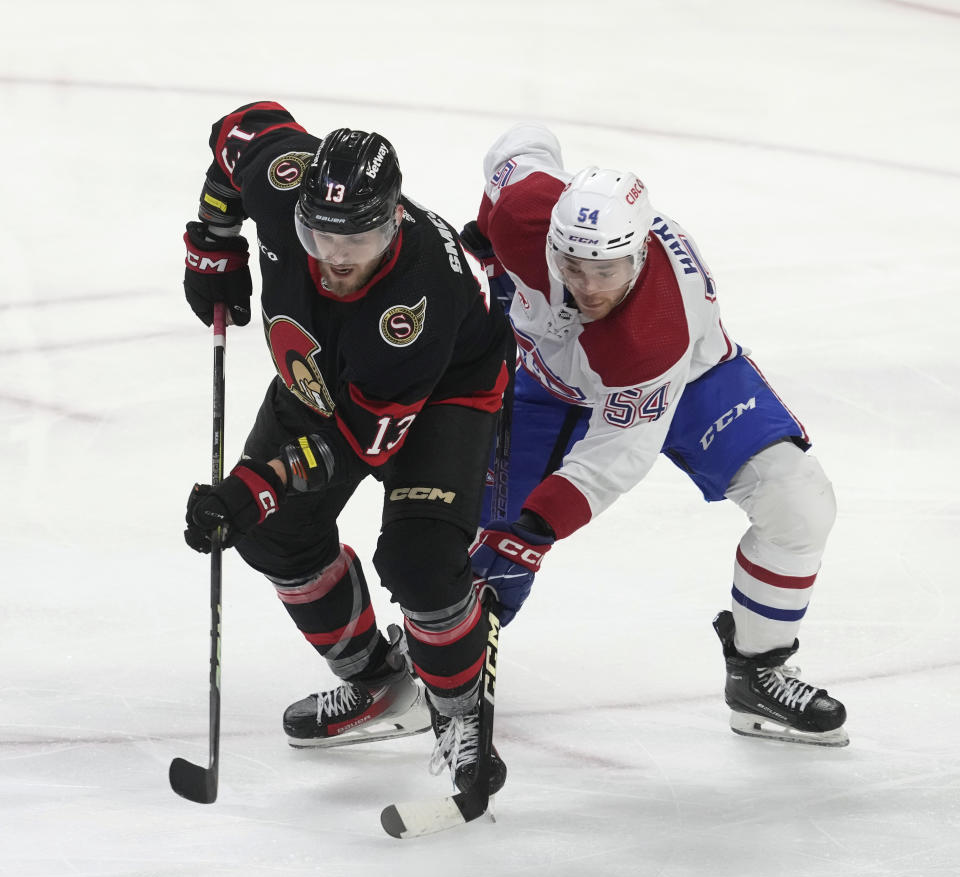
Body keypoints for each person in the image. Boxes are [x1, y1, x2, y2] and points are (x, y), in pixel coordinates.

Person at [463, 123, 848, 747]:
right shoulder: (525, 218)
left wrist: (541, 525)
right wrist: (487, 230)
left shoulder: (653, 330)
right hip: (546, 378)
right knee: (481, 547)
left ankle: (758, 671)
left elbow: (618, 452)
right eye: (572, 266)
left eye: (607, 270)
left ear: (641, 251)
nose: (588, 287)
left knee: (798, 504)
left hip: (690, 379)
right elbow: (522, 145)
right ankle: (428, 666)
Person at [181, 101, 513, 793]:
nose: (333, 257)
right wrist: (213, 235)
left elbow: (355, 443)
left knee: (419, 560)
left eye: (354, 241)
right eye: (319, 234)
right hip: (325, 374)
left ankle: (459, 714)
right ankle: (376, 682)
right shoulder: (283, 179)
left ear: (392, 223)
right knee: (273, 536)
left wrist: (257, 482)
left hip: (445, 388)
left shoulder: (411, 311)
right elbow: (242, 126)